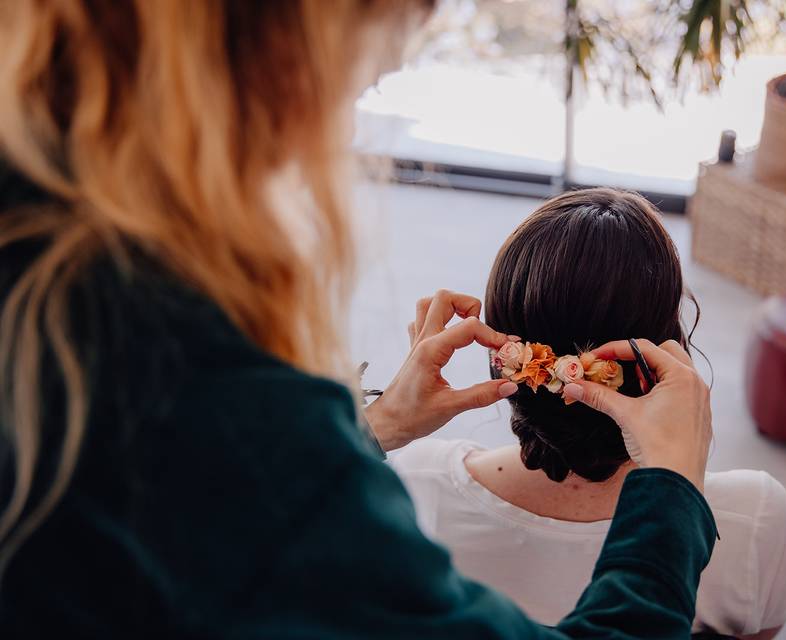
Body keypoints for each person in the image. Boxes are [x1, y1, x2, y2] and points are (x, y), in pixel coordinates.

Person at [0, 2, 717, 638]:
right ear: (279, 47)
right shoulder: (210, 400)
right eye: (363, 73)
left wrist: (378, 430)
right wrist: (672, 485)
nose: (344, 122)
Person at [391, 189, 786, 639]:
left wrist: (381, 424)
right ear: (663, 355)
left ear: (500, 353)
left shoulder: (412, 487)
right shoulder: (753, 517)